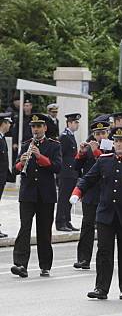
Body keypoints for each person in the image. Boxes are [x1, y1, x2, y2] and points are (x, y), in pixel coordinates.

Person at [71, 126, 122, 300]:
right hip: (106, 213)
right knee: (104, 252)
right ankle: (101, 288)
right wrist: (77, 192)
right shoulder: (104, 160)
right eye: (116, 141)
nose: (118, 144)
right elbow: (89, 178)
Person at [11, 114, 62, 278]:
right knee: (24, 228)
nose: (36, 129)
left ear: (45, 128)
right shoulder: (25, 144)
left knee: (44, 231)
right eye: (33, 126)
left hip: (46, 195)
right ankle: (20, 264)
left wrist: (40, 157)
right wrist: (21, 162)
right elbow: (15, 169)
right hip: (27, 194)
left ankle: (45, 265)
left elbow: (57, 167)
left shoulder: (54, 145)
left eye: (39, 126)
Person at [73, 121, 111, 269]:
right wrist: (81, 153)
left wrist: (96, 152)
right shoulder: (90, 147)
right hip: (91, 193)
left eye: (103, 133)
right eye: (97, 134)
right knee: (87, 226)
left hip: (106, 194)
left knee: (104, 229)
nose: (100, 136)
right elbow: (76, 167)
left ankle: (103, 260)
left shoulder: (113, 146)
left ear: (107, 133)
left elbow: (107, 167)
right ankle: (83, 259)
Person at [56, 113, 81, 232]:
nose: (77, 124)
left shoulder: (70, 136)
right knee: (63, 198)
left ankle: (67, 220)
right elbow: (61, 155)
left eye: (77, 122)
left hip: (72, 172)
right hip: (66, 172)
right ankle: (60, 222)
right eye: (75, 122)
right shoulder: (64, 137)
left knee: (69, 198)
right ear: (69, 123)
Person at [0, 113, 16, 238]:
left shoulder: (2, 137)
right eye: (8, 122)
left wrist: (11, 175)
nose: (10, 125)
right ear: (3, 124)